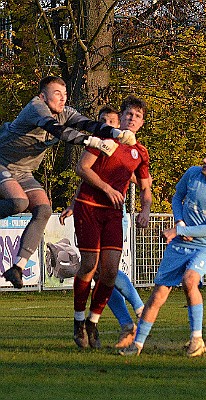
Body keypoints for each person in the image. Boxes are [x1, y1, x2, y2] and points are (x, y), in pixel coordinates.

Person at [0, 76, 136, 289]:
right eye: (57, 94)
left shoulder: (66, 112)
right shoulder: (36, 107)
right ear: (42, 96)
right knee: (19, 202)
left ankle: (17, 267)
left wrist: (119, 133)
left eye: (65, 95)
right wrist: (94, 142)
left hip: (24, 171)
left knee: (44, 210)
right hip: (2, 162)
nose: (63, 99)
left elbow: (89, 124)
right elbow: (57, 130)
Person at [119, 144, 206, 357]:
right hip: (179, 242)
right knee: (158, 295)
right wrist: (180, 221)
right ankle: (136, 345)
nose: (204, 160)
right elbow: (177, 197)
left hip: (205, 245)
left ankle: (197, 339)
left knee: (190, 280)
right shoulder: (192, 174)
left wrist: (180, 229)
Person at [60, 103, 146, 348]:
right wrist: (76, 203)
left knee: (109, 271)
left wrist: (146, 209)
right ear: (120, 118)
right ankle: (79, 321)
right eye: (128, 114)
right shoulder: (103, 139)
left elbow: (144, 184)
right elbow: (83, 169)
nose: (131, 118)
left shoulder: (139, 152)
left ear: (142, 122)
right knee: (90, 266)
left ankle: (93, 322)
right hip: (89, 208)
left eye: (137, 116)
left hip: (115, 213)